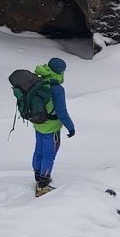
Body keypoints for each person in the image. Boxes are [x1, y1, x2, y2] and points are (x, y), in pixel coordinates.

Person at [31, 57, 76, 197]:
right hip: (52, 128)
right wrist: (71, 127)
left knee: (39, 151)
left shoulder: (39, 80)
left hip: (38, 123)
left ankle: (38, 176)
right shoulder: (57, 88)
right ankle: (43, 186)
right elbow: (62, 112)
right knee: (49, 155)